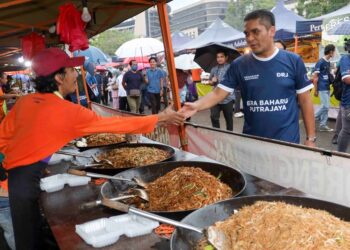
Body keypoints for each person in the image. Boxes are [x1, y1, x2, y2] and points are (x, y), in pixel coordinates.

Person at [0, 48, 185, 250]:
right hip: (18, 185)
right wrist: (161, 118)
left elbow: (3, 137)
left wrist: (30, 157)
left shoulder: (25, 101)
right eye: (71, 70)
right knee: (29, 241)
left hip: (12, 174)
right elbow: (114, 125)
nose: (76, 74)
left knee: (30, 234)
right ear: (59, 77)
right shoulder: (67, 111)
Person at [181, 9, 316, 146]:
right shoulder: (239, 64)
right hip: (252, 143)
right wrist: (196, 105)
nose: (250, 38)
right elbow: (218, 93)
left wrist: (311, 138)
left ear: (272, 31)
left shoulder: (293, 61)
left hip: (288, 142)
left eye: (256, 32)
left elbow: (305, 100)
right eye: (246, 34)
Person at [209, 50, 235, 131]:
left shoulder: (231, 68)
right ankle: (217, 133)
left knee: (228, 119)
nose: (219, 59)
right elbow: (209, 82)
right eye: (218, 57)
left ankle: (230, 134)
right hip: (215, 97)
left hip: (227, 98)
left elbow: (234, 80)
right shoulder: (214, 69)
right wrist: (212, 81)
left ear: (226, 57)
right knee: (213, 116)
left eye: (221, 56)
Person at [313, 44, 336, 132]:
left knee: (326, 107)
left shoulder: (328, 62)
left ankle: (323, 125)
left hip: (327, 87)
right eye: (333, 51)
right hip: (322, 87)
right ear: (330, 52)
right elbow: (315, 77)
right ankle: (313, 117)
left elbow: (327, 74)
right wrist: (316, 89)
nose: (334, 53)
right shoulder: (320, 62)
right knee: (326, 106)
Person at [337, 39, 350, 152]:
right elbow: (347, 79)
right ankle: (340, 155)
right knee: (347, 130)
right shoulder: (345, 59)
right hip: (348, 103)